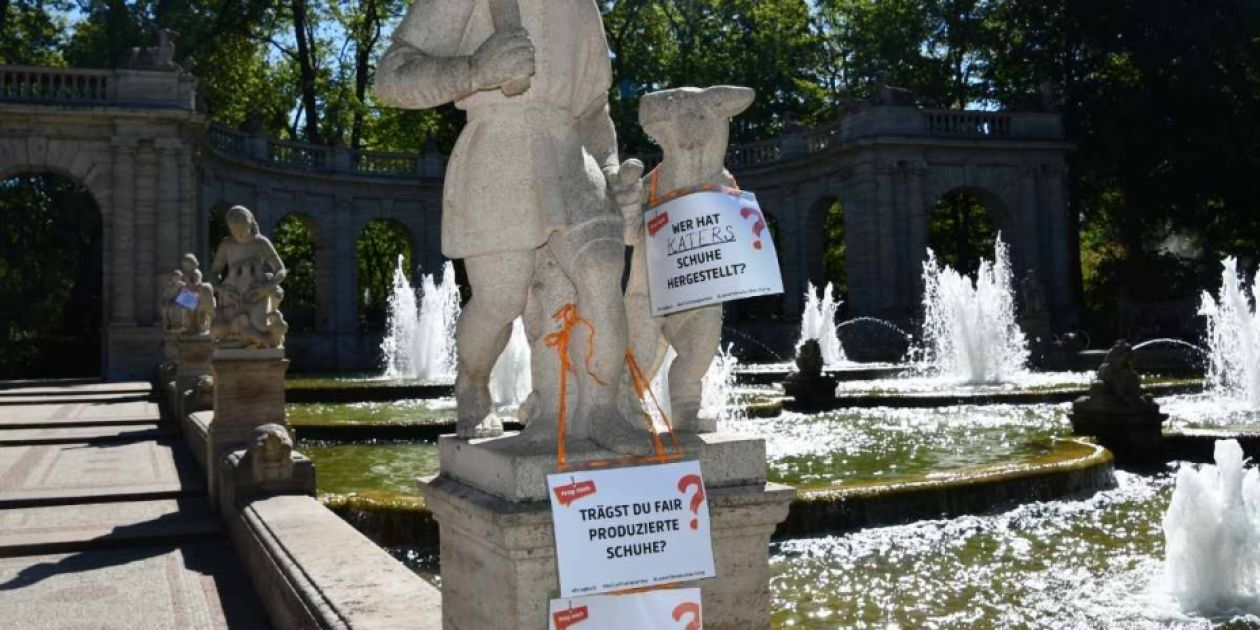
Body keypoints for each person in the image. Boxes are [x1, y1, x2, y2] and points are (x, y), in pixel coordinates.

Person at [374, 0, 643, 443]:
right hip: (498, 145)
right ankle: (473, 380)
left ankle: (601, 408)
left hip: (571, 153)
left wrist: (612, 172)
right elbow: (391, 78)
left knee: (601, 269)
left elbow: (595, 110)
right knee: (501, 298)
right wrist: (475, 71)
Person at [209, 206, 288, 349]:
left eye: (242, 229)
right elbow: (214, 274)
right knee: (222, 329)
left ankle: (265, 339)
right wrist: (221, 289)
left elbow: (281, 270)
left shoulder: (261, 242)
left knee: (261, 325)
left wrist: (266, 288)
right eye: (234, 230)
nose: (239, 234)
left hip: (256, 294)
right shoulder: (226, 245)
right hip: (233, 296)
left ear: (250, 223)